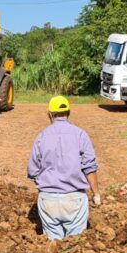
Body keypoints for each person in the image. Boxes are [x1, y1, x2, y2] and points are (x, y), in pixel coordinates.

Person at [27, 96, 101, 240]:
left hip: (48, 200)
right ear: (69, 113)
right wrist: (96, 193)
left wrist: (46, 184)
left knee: (54, 248)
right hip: (75, 199)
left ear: (49, 115)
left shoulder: (42, 136)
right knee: (75, 245)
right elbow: (89, 167)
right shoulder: (80, 135)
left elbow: (32, 170)